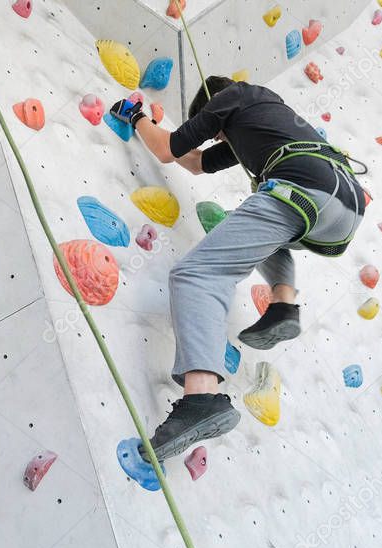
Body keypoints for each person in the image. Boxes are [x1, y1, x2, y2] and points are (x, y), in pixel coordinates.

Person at [109, 76, 367, 462]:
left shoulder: (231, 98)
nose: (216, 143)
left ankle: (202, 398)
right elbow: (194, 164)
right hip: (342, 209)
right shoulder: (268, 114)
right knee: (251, 225)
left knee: (196, 274)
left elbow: (167, 150)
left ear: (211, 115)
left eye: (213, 135)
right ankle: (283, 302)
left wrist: (137, 117)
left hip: (303, 187)